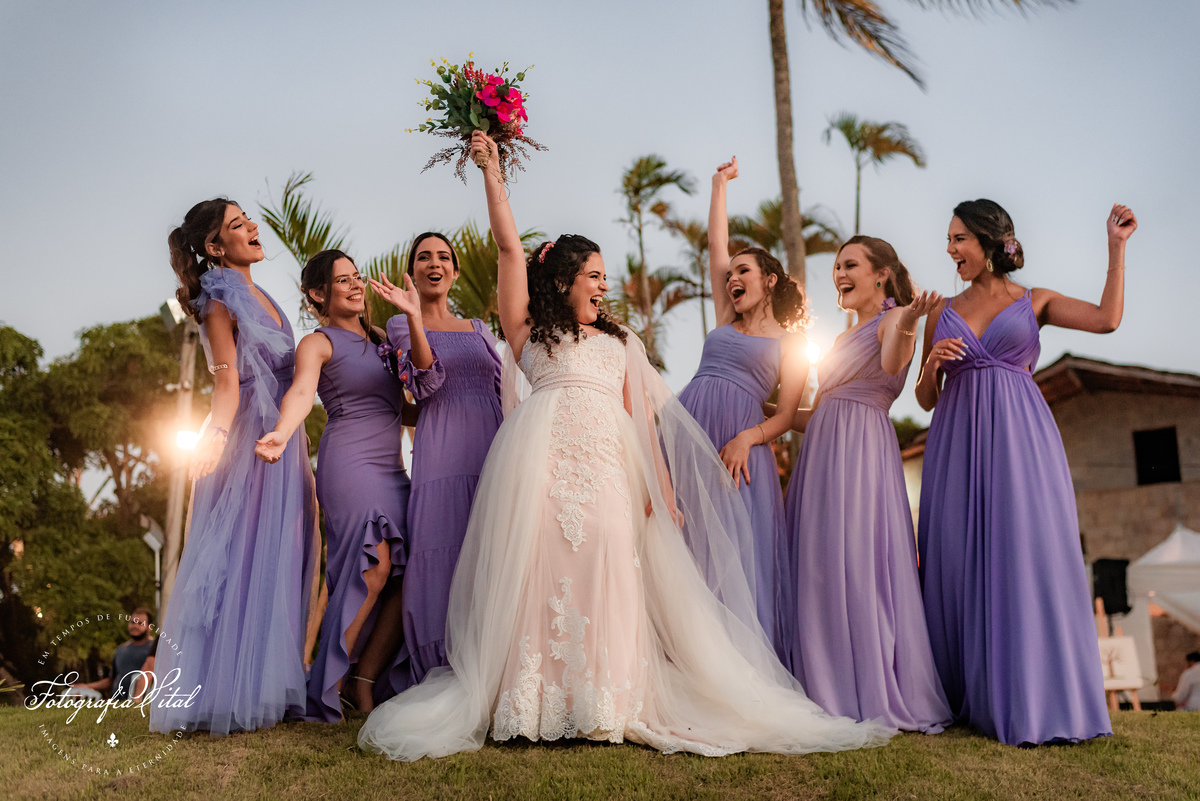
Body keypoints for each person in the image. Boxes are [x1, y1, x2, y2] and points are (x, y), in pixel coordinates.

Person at [357, 131, 893, 761]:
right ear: (562, 281)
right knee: (543, 565)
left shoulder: (621, 341)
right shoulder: (527, 327)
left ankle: (604, 699)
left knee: (609, 562)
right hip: (541, 457)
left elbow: (641, 423)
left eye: (605, 277)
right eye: (593, 276)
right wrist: (492, 173)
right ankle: (535, 698)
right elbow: (508, 247)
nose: (603, 287)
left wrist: (662, 491)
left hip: (610, 463)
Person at [915, 199, 1137, 745]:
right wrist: (930, 366)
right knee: (956, 554)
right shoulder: (939, 308)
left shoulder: (1034, 300)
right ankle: (964, 692)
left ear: (991, 241)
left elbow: (1107, 321)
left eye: (959, 238)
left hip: (1021, 441)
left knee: (1023, 553)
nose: (950, 249)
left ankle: (1033, 694)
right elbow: (924, 399)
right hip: (955, 442)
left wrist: (1116, 248)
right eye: (948, 239)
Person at [151, 198, 321, 736]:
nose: (251, 227)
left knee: (276, 552)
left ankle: (266, 684)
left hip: (283, 437)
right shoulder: (217, 300)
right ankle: (223, 689)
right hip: (248, 437)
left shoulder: (266, 296)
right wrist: (216, 439)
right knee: (239, 553)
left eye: (248, 219)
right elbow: (225, 384)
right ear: (214, 247)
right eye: (236, 225)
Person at [779, 236, 951, 732]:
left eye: (850, 265)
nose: (839, 274)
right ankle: (820, 680)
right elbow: (818, 413)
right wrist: (768, 410)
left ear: (881, 275)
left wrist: (912, 321)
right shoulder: (838, 339)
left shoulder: (895, 319)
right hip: (821, 457)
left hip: (860, 457)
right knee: (819, 566)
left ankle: (861, 687)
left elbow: (895, 363)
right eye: (835, 267)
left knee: (857, 562)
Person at [256, 250, 423, 718]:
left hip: (393, 466)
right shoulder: (317, 342)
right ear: (316, 294)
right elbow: (303, 393)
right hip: (350, 463)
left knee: (406, 573)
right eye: (342, 280)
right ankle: (325, 684)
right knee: (373, 568)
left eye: (357, 277)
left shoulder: (380, 340)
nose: (354, 285)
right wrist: (283, 432)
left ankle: (360, 681)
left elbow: (401, 408)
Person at [677, 157, 808, 654]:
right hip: (690, 428)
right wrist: (717, 186)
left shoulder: (792, 344)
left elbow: (785, 414)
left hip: (740, 444)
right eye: (730, 273)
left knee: (733, 549)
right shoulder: (724, 315)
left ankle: (737, 662)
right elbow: (716, 245)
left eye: (744, 270)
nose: (733, 277)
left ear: (769, 280)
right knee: (684, 540)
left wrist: (748, 438)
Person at [368, 232, 504, 685]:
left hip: (493, 447)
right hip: (443, 451)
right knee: (443, 550)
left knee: (492, 548)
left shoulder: (480, 329)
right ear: (412, 270)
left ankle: (492, 662)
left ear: (455, 271)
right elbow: (425, 383)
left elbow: (504, 389)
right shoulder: (400, 325)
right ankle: (442, 668)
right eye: (424, 256)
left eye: (444, 257)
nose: (435, 263)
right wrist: (413, 316)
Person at [72, 608, 155, 702]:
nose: (135, 626)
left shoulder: (155, 649)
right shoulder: (120, 650)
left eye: (140, 623)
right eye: (132, 622)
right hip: (118, 704)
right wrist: (87, 686)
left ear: (150, 627)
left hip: (142, 704)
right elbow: (111, 680)